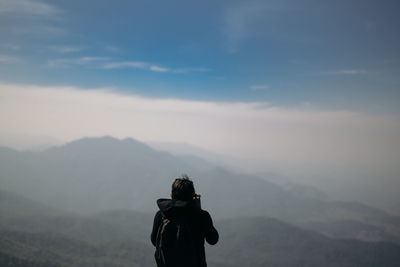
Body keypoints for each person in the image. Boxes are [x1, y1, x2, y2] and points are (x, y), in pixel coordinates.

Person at [151, 175, 219, 267]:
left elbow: (154, 241)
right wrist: (198, 210)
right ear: (192, 196)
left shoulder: (161, 215)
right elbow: (213, 240)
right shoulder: (201, 216)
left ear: (171, 195)